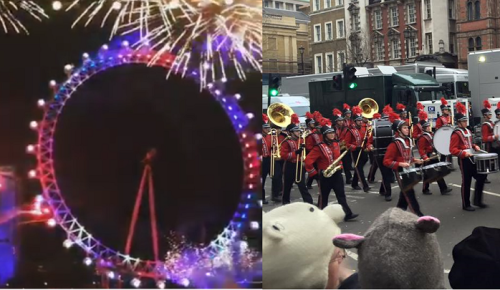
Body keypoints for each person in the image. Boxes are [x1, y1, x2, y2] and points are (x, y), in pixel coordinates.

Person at [305, 121, 359, 220]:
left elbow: (338, 157)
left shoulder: (336, 143)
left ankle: (347, 214)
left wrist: (340, 165)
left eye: (333, 132)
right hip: (325, 175)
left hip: (336, 173)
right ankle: (319, 217)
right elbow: (308, 161)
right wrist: (314, 174)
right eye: (329, 133)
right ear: (325, 135)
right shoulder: (319, 147)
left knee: (341, 195)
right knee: (323, 198)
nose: (332, 134)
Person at [383, 112, 424, 216]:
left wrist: (415, 160)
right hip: (401, 172)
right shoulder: (394, 144)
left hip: (409, 170)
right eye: (405, 128)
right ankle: (419, 216)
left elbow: (408, 157)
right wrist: (400, 164)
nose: (407, 129)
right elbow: (386, 161)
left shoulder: (408, 141)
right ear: (398, 130)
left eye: (407, 128)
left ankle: (396, 215)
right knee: (410, 195)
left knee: (404, 196)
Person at [449, 102, 487, 211]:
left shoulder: (468, 131)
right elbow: (452, 149)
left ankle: (478, 200)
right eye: (464, 121)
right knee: (467, 182)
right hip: (464, 160)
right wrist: (464, 153)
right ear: (459, 122)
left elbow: (469, 144)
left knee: (481, 177)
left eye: (466, 120)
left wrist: (475, 146)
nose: (466, 122)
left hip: (472, 158)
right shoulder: (456, 133)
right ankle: (466, 204)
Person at [280, 114, 313, 205]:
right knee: (287, 185)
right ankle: (285, 202)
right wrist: (296, 153)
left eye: (298, 131)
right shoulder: (286, 142)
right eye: (296, 131)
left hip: (299, 165)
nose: (298, 132)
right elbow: (284, 155)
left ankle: (308, 202)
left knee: (302, 185)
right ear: (290, 132)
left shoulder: (301, 140)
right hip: (290, 165)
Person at [417, 111, 452, 195]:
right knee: (428, 173)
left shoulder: (431, 135)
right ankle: (426, 189)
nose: (429, 127)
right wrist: (425, 157)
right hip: (428, 157)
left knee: (437, 172)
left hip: (433, 156)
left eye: (429, 126)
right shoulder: (422, 137)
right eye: (427, 127)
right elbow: (421, 149)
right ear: (423, 128)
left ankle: (443, 189)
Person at [345, 106, 371, 192]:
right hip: (355, 151)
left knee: (359, 166)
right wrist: (355, 147)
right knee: (359, 168)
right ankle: (365, 186)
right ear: (355, 122)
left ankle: (354, 183)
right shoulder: (350, 130)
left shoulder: (364, 128)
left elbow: (367, 139)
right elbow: (347, 143)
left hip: (363, 150)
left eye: (361, 120)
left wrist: (367, 145)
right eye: (359, 120)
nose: (361, 122)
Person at [367, 113, 393, 201]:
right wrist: (370, 147)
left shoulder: (394, 130)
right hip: (379, 154)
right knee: (385, 173)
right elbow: (369, 142)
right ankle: (387, 193)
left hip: (390, 154)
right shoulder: (376, 130)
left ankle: (382, 190)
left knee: (387, 173)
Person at [333, 108, 353, 184]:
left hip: (344, 148)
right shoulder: (333, 129)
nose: (341, 122)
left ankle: (349, 178)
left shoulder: (346, 128)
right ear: (336, 122)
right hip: (336, 148)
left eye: (342, 120)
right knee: (338, 165)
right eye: (339, 121)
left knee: (347, 164)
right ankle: (338, 179)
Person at [305, 112, 322, 189]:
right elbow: (308, 146)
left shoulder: (314, 132)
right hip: (311, 152)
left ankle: (309, 183)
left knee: (315, 168)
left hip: (316, 151)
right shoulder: (308, 132)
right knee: (314, 168)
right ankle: (316, 182)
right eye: (312, 123)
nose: (313, 124)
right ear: (308, 124)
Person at [269, 122, 286, 202]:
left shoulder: (284, 136)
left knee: (282, 176)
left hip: (283, 158)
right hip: (274, 159)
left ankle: (280, 191)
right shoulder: (270, 136)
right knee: (276, 176)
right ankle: (275, 195)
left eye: (279, 129)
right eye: (276, 129)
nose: (278, 130)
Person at [436, 98, 453, 164]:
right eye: (446, 109)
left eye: (447, 109)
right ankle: (442, 164)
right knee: (443, 152)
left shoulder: (449, 117)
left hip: (449, 136)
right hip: (443, 136)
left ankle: (450, 163)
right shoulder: (440, 118)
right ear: (442, 111)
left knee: (450, 151)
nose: (447, 111)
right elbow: (438, 128)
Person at [261, 114, 272, 204]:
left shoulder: (266, 137)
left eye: (268, 128)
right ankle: (262, 198)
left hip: (267, 160)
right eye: (265, 128)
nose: (268, 130)